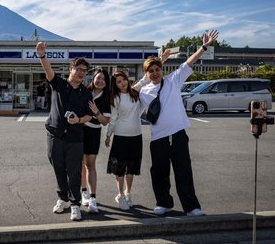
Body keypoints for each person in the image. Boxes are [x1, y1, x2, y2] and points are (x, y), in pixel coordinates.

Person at [139, 30, 219, 216]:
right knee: (159, 172)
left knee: (183, 170)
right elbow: (137, 104)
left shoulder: (173, 80)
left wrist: (204, 47)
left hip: (178, 134)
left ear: (162, 70)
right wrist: (148, 114)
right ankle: (163, 203)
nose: (155, 73)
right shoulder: (143, 91)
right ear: (146, 73)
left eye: (157, 69)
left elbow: (188, 62)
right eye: (151, 71)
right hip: (158, 136)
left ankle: (192, 207)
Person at [105, 50, 170, 211]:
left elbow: (146, 77)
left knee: (131, 168)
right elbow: (113, 119)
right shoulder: (115, 98)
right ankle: (120, 195)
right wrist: (108, 135)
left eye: (123, 80)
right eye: (118, 82)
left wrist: (162, 59)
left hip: (136, 136)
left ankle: (128, 193)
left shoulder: (135, 92)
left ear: (127, 80)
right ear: (115, 85)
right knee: (119, 168)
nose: (122, 83)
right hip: (120, 136)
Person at [36, 41, 93, 221]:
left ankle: (75, 203)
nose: (82, 72)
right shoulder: (59, 84)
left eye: (84, 70)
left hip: (75, 138)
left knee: (74, 171)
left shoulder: (86, 92)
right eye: (79, 69)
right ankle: (63, 198)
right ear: (71, 69)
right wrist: (42, 55)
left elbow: (89, 115)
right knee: (58, 168)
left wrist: (78, 120)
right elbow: (48, 71)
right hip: (55, 135)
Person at [80, 68, 111, 214]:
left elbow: (105, 122)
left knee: (90, 164)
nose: (100, 81)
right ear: (93, 78)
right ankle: (83, 192)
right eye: (98, 78)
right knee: (79, 163)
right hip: (79, 130)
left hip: (93, 131)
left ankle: (93, 198)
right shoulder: (85, 91)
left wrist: (96, 111)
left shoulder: (107, 98)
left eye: (103, 80)